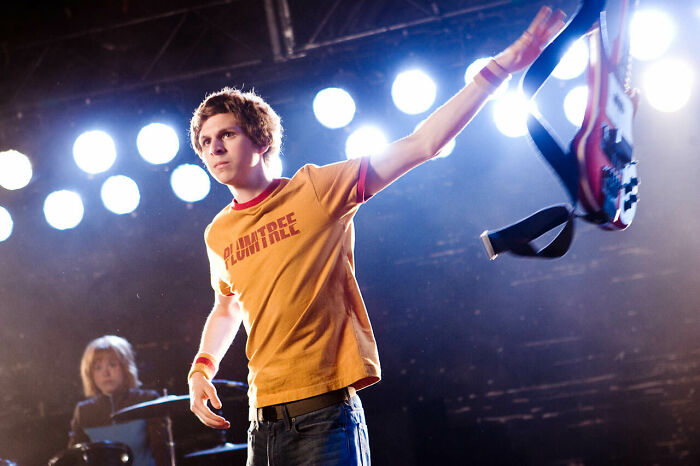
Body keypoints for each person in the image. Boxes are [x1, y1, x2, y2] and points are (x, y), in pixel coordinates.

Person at [186, 6, 566, 465]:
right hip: (262, 425)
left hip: (323, 416)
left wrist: (502, 68)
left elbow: (423, 144)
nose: (214, 147)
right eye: (205, 142)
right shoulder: (218, 233)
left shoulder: (315, 189)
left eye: (226, 134)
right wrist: (202, 368)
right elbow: (227, 304)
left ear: (261, 140)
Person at [68, 335, 169, 466]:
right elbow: (73, 458)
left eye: (112, 365)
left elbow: (162, 454)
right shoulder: (83, 411)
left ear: (125, 367)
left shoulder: (148, 400)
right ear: (90, 374)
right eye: (98, 367)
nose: (105, 373)